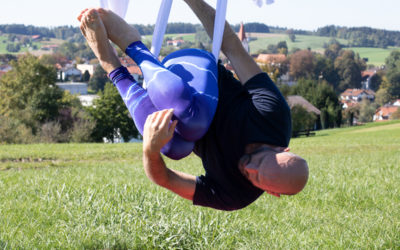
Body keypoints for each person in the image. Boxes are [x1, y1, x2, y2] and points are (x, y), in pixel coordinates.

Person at [78, 0, 309, 211]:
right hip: (195, 68)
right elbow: (232, 47)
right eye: (260, 161)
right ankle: (132, 44)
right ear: (282, 150)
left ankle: (112, 66)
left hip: (164, 94)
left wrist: (150, 149)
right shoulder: (274, 116)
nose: (249, 167)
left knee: (174, 148)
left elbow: (165, 179)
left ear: (272, 192)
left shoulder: (235, 195)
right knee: (195, 123)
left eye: (256, 177)